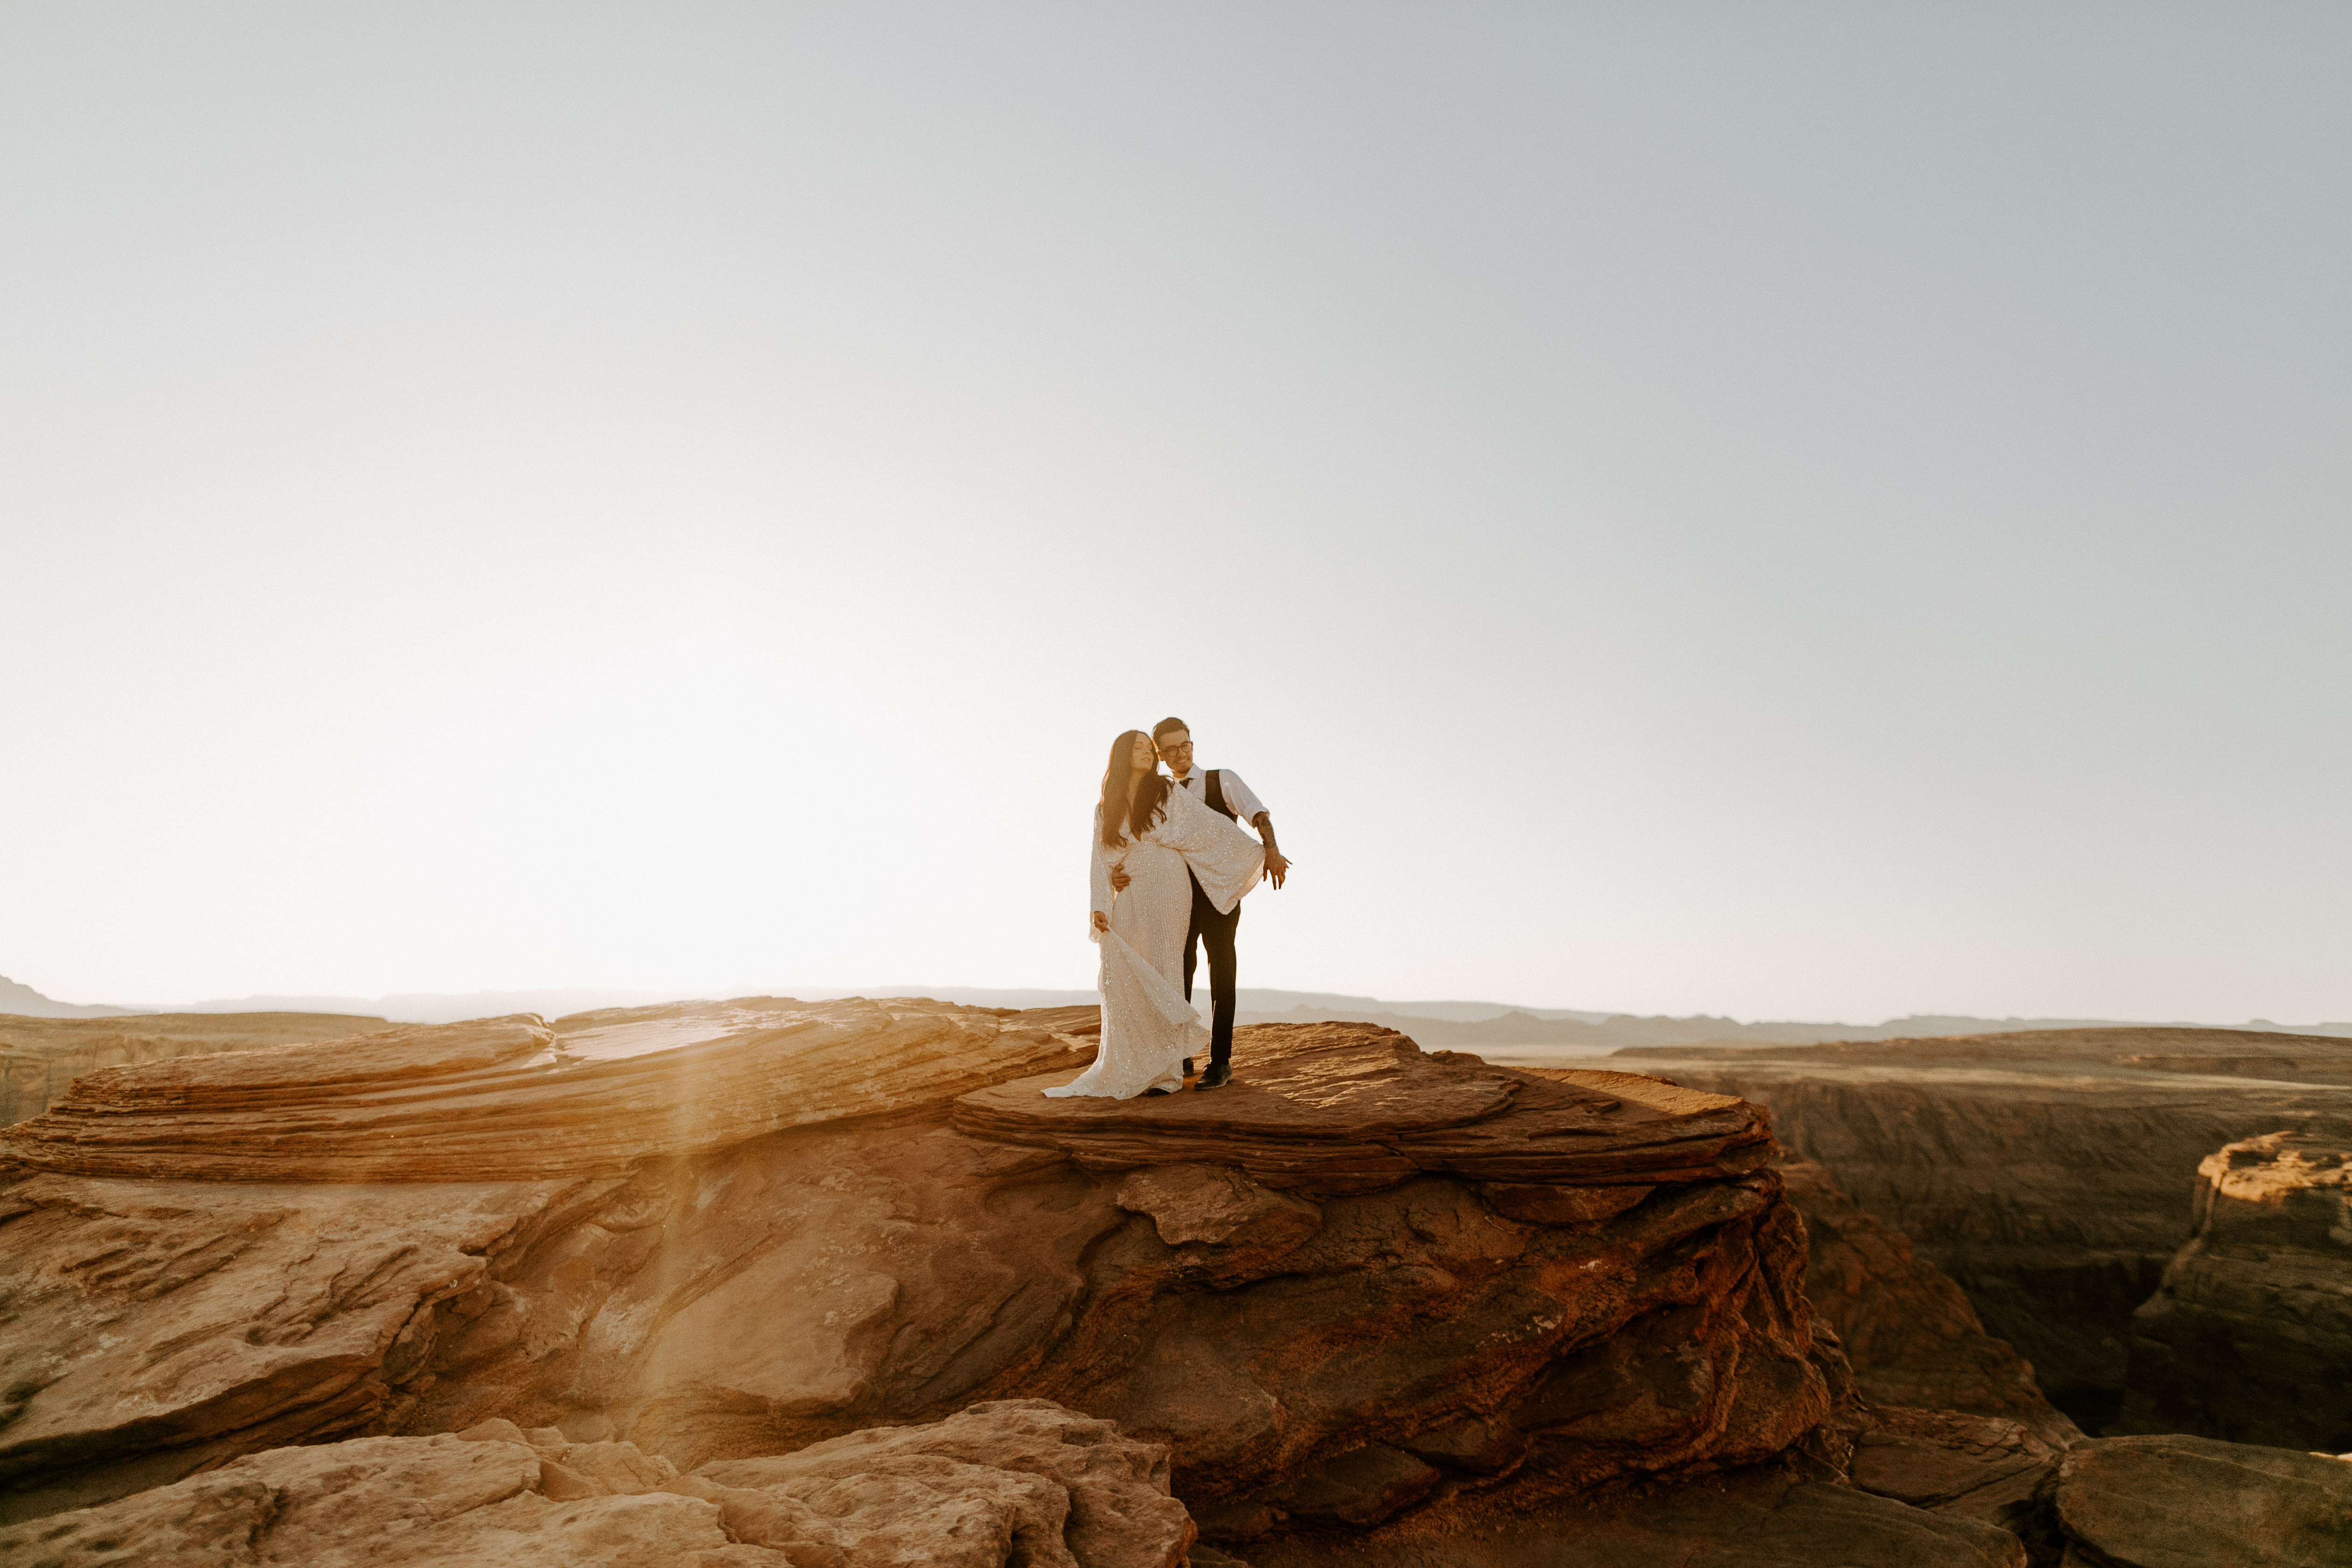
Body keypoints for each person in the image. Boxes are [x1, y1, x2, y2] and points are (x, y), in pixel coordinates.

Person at [1047, 729, 1265, 1100]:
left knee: (1166, 969)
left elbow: (1208, 829)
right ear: (1121, 755)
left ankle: (1167, 1073)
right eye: (1139, 748)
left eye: (1150, 749)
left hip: (1170, 889)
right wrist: (1100, 905)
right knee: (1129, 972)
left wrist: (1260, 853)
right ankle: (1137, 1064)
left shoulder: (1166, 792)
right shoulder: (1105, 808)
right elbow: (1099, 860)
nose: (1147, 753)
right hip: (1130, 891)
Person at [1141, 716, 1288, 1090]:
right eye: (1171, 749)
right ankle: (1181, 1055)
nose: (1181, 754)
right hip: (1177, 893)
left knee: (1222, 972)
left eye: (1185, 745)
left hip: (1219, 894)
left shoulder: (1221, 779)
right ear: (1160, 755)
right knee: (1178, 972)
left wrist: (1271, 849)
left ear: (1193, 742)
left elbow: (1257, 813)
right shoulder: (1160, 793)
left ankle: (1221, 1063)